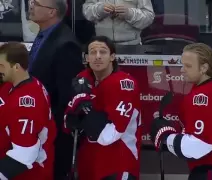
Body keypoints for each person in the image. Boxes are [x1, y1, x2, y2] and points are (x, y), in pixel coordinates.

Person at [150, 43, 212, 180]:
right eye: (182, 64)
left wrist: (165, 136)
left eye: (188, 66)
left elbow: (199, 146)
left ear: (204, 68)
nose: (182, 70)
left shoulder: (203, 97)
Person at [64, 36, 142, 180]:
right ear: (86, 58)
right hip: (88, 165)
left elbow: (108, 136)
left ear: (112, 56)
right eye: (93, 52)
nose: (98, 56)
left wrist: (84, 106)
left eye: (103, 52)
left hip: (117, 164)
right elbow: (69, 125)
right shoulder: (83, 79)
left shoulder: (124, 84)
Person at [27, 0, 84, 178]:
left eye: (36, 3)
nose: (31, 5)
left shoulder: (66, 44)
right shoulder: (45, 35)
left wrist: (51, 132)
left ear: (52, 12)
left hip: (53, 133)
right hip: (38, 125)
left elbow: (66, 95)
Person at [0, 42, 56, 180]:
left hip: (29, 174)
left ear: (16, 67)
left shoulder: (27, 101)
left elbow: (24, 155)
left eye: (2, 66)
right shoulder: (15, 84)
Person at [82, 0, 155, 45]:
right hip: (102, 45)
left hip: (131, 46)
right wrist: (100, 9)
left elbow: (149, 17)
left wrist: (129, 14)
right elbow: (87, 12)